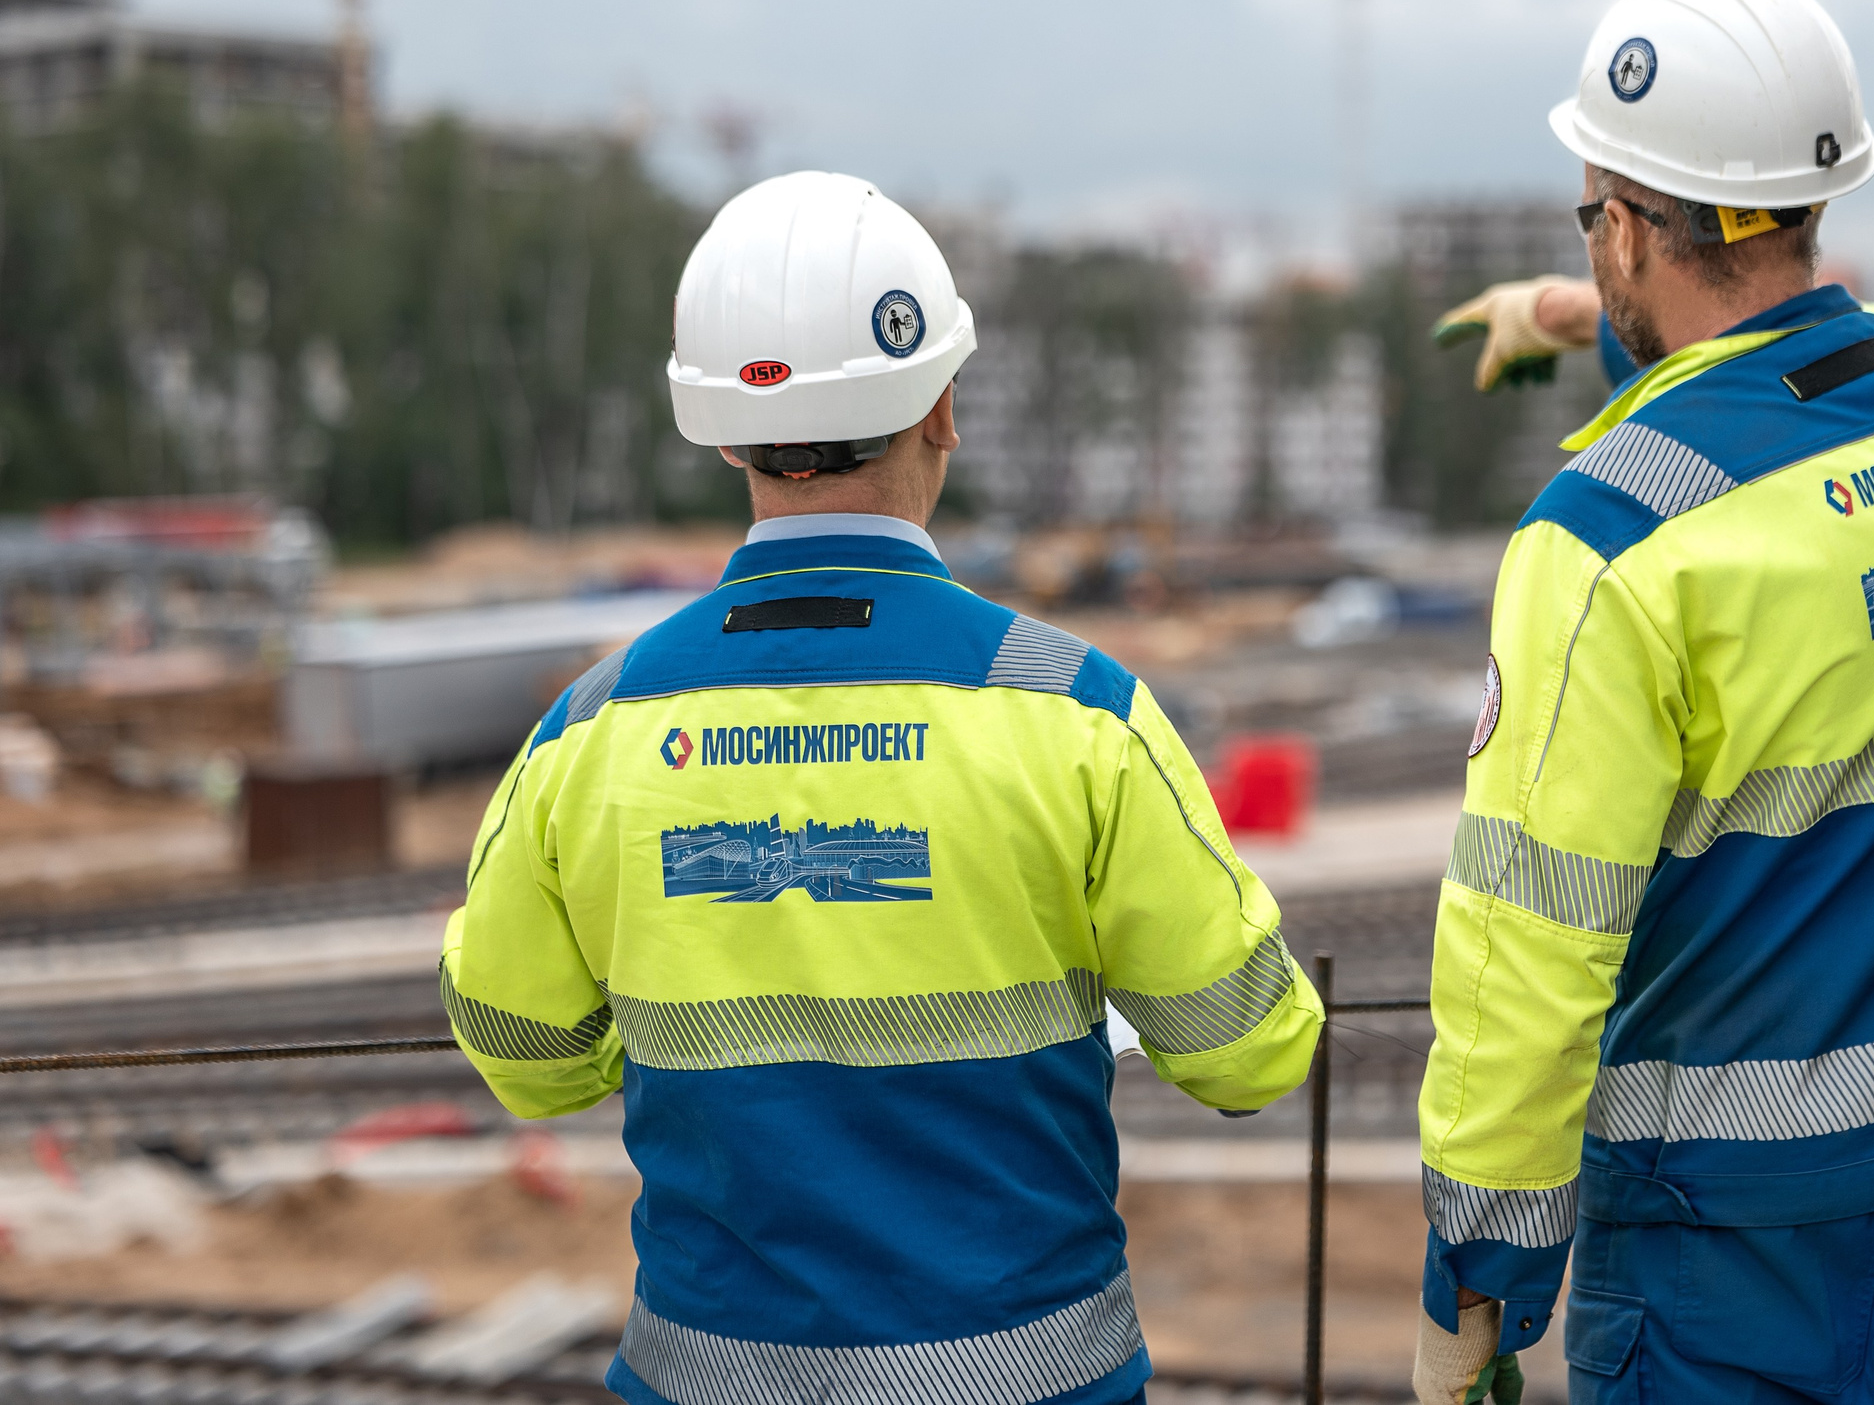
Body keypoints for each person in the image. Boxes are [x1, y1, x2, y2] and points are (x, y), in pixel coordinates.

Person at [440, 171, 1324, 1405]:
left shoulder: (592, 730)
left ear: (726, 434)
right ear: (944, 410)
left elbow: (525, 1053)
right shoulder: (1075, 712)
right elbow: (1250, 1049)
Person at [1414, 0, 1874, 1404]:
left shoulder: (1603, 550)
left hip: (1732, 1253)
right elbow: (1791, 378)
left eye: (1595, 217)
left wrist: (1479, 1285)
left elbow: (1528, 950)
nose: (1593, 244)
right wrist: (1582, 311)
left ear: (1635, 228)